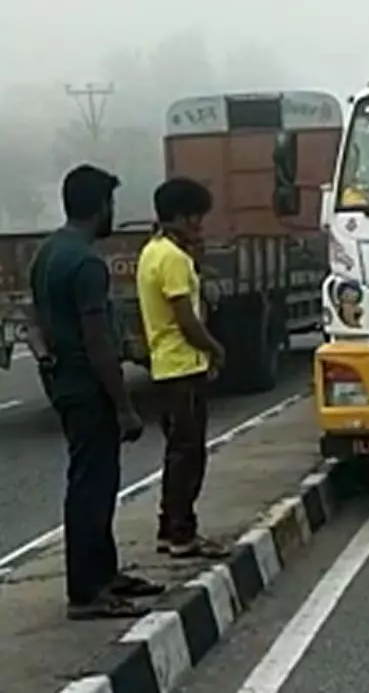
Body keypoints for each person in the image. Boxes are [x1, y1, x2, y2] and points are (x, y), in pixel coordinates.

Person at [28, 165, 164, 619]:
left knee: (96, 482)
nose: (113, 213)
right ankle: (87, 592)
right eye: (111, 204)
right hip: (88, 388)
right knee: (92, 487)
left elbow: (37, 322)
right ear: (100, 206)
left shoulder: (48, 253)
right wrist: (124, 405)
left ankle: (105, 574)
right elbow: (97, 341)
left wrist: (50, 363)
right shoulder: (86, 263)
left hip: (65, 383)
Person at [136, 178, 229, 560]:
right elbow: (186, 319)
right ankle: (182, 533)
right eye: (195, 217)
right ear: (178, 216)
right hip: (181, 366)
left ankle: (168, 527)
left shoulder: (152, 252)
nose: (199, 225)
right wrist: (215, 348)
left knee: (178, 451)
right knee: (189, 454)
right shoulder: (173, 259)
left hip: (166, 365)